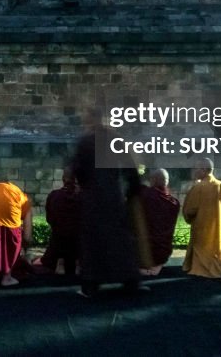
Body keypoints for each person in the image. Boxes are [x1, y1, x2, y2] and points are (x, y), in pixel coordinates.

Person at [70, 107, 144, 297]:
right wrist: (133, 189)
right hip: (113, 194)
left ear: (91, 119)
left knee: (93, 240)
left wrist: (84, 186)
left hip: (93, 196)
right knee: (120, 238)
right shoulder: (115, 138)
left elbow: (77, 169)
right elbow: (130, 166)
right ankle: (130, 281)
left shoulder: (85, 141)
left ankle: (91, 285)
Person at [182, 157, 221, 279]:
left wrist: (190, 218)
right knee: (218, 251)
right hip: (217, 231)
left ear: (204, 170)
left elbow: (189, 210)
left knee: (201, 251)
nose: (195, 171)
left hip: (201, 231)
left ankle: (201, 267)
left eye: (197, 169)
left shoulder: (198, 188)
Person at [137, 168, 180, 276]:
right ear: (167, 181)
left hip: (145, 250)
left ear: (154, 180)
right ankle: (155, 267)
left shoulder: (145, 195)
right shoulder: (174, 203)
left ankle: (143, 269)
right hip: (164, 251)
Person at [39, 166, 81, 275]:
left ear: (63, 179)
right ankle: (78, 264)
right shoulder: (83, 197)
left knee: (60, 231)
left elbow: (49, 219)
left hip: (58, 244)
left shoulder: (54, 196)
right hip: (78, 245)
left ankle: (60, 262)